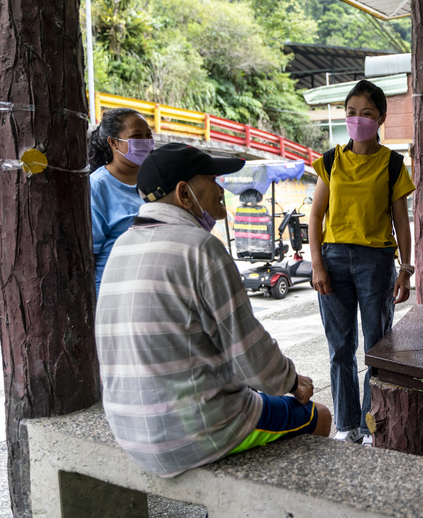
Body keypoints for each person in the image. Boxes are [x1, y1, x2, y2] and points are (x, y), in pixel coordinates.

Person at [95, 143, 331, 478]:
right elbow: (249, 352)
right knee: (318, 415)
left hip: (129, 429)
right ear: (184, 193)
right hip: (195, 433)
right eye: (211, 178)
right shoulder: (201, 247)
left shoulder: (122, 246)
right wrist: (292, 381)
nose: (221, 187)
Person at [308, 80, 416, 446]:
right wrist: (317, 265)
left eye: (366, 113)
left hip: (377, 262)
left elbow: (402, 223)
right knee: (340, 347)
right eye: (351, 112)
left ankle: (374, 423)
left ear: (381, 118)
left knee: (377, 347)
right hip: (334, 259)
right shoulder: (331, 161)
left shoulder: (392, 165)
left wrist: (406, 268)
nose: (358, 119)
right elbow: (315, 216)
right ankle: (346, 424)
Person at [89, 107, 154, 293]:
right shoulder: (98, 187)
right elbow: (89, 255)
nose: (146, 142)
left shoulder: (155, 179)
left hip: (152, 289)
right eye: (137, 136)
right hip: (114, 292)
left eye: (148, 135)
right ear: (113, 143)